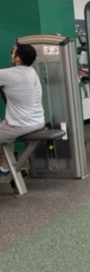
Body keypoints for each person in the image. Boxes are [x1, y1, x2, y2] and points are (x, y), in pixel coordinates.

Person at [0, 43, 45, 176]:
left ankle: (4, 169)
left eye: (13, 53)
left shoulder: (8, 74)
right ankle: (5, 166)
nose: (11, 55)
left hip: (20, 124)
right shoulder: (32, 72)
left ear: (18, 59)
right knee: (4, 129)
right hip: (37, 121)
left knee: (5, 129)